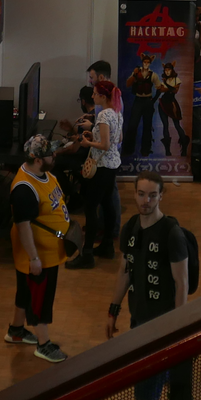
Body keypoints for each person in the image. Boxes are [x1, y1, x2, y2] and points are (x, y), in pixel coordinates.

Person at [105, 172, 191, 400]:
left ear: (161, 196)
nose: (146, 200)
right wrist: (113, 309)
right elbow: (125, 270)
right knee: (161, 374)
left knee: (143, 386)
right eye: (141, 194)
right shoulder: (131, 227)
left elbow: (182, 284)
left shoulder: (172, 234)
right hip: (138, 319)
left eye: (152, 195)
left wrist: (177, 327)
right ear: (134, 194)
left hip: (161, 325)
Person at [6, 134, 71, 362]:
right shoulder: (24, 189)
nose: (54, 156)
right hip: (37, 254)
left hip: (49, 250)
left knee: (25, 293)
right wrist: (33, 258)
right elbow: (23, 226)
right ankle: (43, 344)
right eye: (50, 154)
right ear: (37, 160)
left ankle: (15, 330)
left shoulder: (43, 173)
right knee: (40, 298)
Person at [66, 80, 121, 270]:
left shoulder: (104, 115)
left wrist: (88, 143)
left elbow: (104, 144)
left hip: (101, 166)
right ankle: (107, 245)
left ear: (103, 97)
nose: (92, 96)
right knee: (107, 204)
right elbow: (117, 138)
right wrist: (95, 135)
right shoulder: (116, 111)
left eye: (95, 93)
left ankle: (87, 253)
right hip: (112, 164)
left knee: (90, 207)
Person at [126, 54, 157, 158]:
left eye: (148, 62)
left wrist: (153, 100)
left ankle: (145, 150)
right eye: (145, 62)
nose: (146, 64)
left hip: (148, 100)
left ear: (150, 63)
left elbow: (159, 87)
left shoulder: (153, 75)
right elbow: (128, 84)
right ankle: (129, 149)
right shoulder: (137, 72)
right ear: (142, 62)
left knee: (147, 126)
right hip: (138, 100)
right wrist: (134, 75)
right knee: (132, 125)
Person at [156, 60, 189, 154]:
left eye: (169, 70)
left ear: (172, 70)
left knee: (177, 125)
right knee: (165, 125)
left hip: (172, 103)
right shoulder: (164, 80)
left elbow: (175, 91)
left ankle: (184, 148)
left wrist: (166, 85)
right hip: (163, 103)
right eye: (166, 70)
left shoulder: (176, 80)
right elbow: (160, 91)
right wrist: (152, 101)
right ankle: (167, 151)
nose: (167, 72)